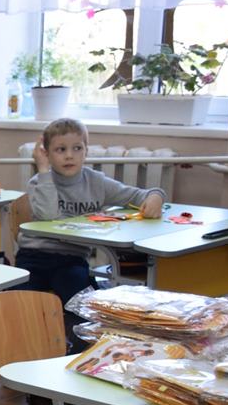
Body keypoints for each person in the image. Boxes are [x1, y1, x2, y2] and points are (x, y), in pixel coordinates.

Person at [18, 117, 164, 348]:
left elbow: (138, 194)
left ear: (86, 151)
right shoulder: (40, 181)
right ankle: (29, 349)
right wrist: (43, 169)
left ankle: (80, 350)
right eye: (60, 150)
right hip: (34, 257)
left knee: (82, 301)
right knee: (19, 302)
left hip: (71, 259)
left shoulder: (96, 182)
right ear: (46, 154)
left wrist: (155, 197)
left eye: (77, 148)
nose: (69, 156)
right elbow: (48, 216)